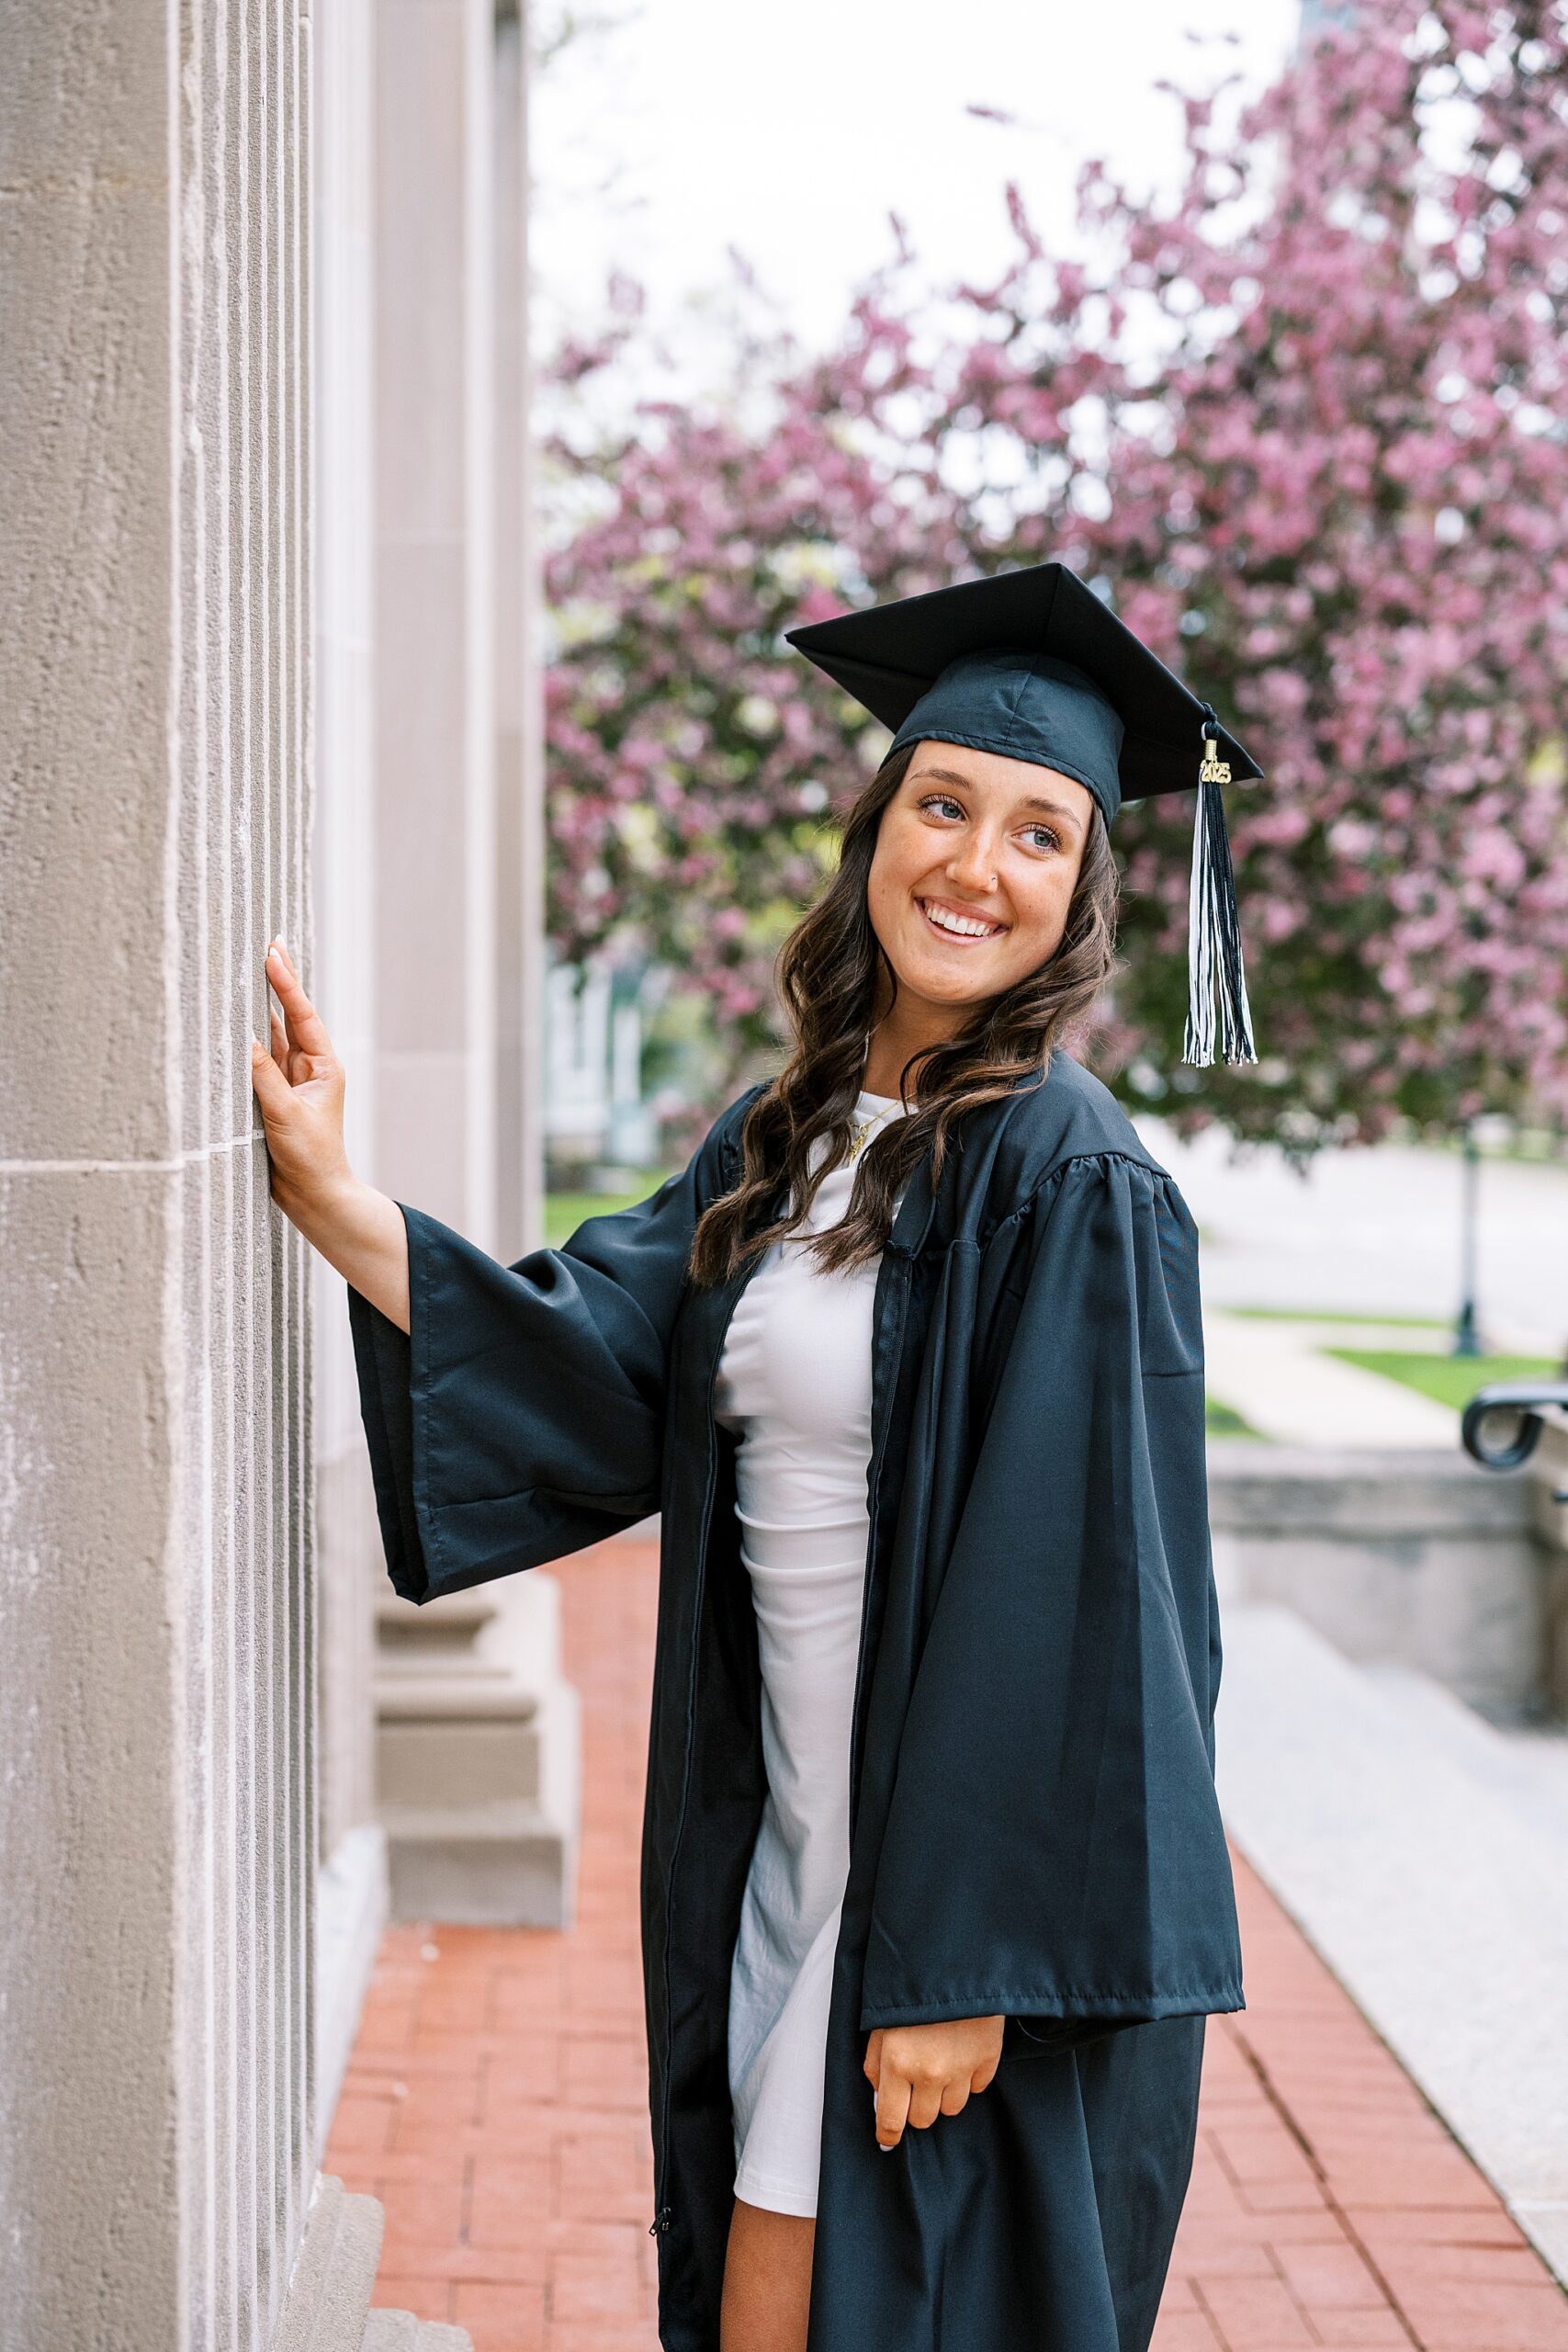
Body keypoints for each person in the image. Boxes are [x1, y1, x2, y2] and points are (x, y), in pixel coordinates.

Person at [250, 560, 1255, 2352]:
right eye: (942, 804)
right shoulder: (784, 1133)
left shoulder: (1066, 1176)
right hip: (790, 1847)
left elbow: (1088, 1605)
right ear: (875, 829)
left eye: (1036, 834)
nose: (974, 861)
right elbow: (592, 1346)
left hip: (950, 1912)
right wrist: (333, 1193)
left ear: (1082, 889)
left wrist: (971, 1971)